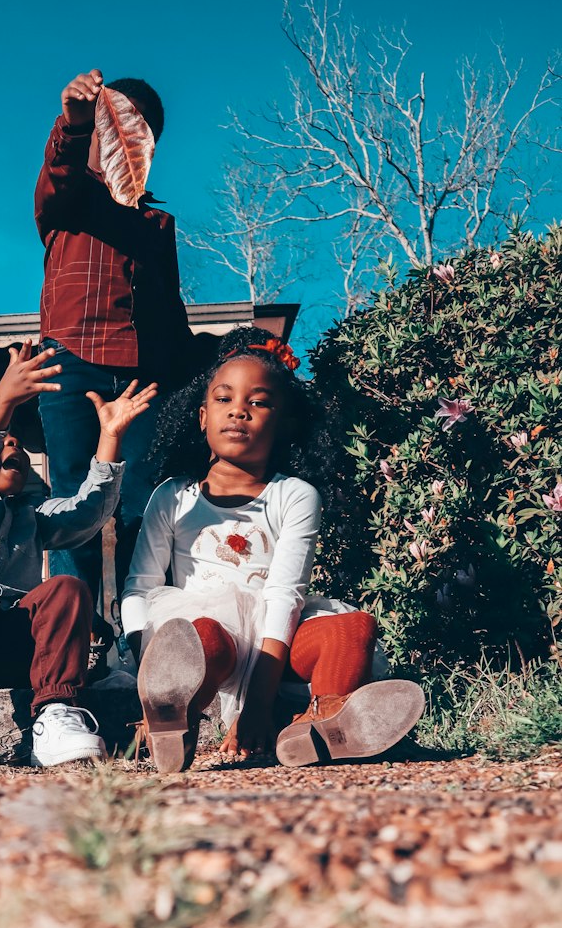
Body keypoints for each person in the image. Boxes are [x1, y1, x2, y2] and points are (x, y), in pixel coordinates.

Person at [121, 327, 425, 773]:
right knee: (197, 636)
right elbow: (140, 587)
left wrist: (257, 706)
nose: (239, 412)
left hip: (276, 644)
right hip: (210, 645)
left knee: (354, 627)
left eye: (258, 402)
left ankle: (321, 725)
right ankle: (173, 715)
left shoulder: (295, 495)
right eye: (224, 399)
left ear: (285, 421)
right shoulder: (172, 496)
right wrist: (144, 667)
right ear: (202, 416)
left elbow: (285, 594)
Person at [0, 340, 156, 768]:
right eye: (1, 442)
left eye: (18, 444)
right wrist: (2, 401)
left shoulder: (30, 516)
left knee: (65, 588)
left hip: (14, 651)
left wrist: (109, 440)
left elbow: (87, 514)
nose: (13, 448)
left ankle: (55, 712)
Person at [34, 67, 200, 668]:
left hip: (142, 377)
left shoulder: (156, 224)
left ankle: (141, 644)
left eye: (141, 129)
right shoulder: (71, 199)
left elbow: (171, 309)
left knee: (144, 505)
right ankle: (73, 646)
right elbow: (55, 178)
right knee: (72, 500)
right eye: (118, 120)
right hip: (71, 363)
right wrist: (74, 123)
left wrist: (203, 372)